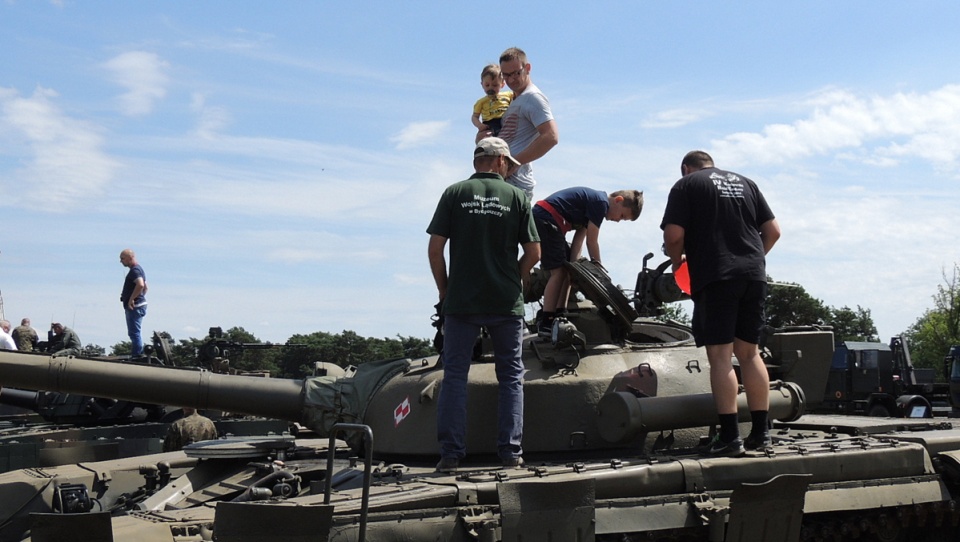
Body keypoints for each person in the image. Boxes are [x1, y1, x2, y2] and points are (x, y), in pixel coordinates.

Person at [427, 137, 541, 472]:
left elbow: (435, 249)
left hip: (462, 301)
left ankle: (450, 455)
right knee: (510, 376)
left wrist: (445, 291)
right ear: (502, 162)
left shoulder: (454, 193)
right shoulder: (517, 196)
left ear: (479, 161)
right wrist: (516, 279)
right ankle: (510, 454)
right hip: (505, 301)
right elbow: (534, 252)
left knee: (455, 375)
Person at [660, 150, 781, 457]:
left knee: (721, 357)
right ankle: (761, 434)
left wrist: (677, 264)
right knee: (750, 354)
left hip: (716, 277)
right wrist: (751, 261)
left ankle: (730, 437)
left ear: (686, 168)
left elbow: (674, 236)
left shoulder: (686, 185)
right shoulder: (747, 183)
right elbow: (774, 231)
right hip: (754, 275)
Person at [533, 187, 644, 336]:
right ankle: (546, 320)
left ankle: (560, 313)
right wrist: (598, 268)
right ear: (618, 200)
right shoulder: (600, 203)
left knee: (566, 270)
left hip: (550, 220)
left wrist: (574, 267)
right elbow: (592, 241)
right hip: (546, 218)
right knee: (558, 273)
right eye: (622, 216)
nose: (618, 220)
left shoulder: (592, 208)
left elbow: (579, 242)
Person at [490, 47, 558, 199]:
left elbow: (551, 136)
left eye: (516, 73)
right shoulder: (512, 99)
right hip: (502, 179)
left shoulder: (533, 97)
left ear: (527, 68)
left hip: (516, 184)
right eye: (506, 75)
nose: (511, 79)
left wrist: (514, 163)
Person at [119, 248, 148, 357]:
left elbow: (140, 285)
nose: (121, 261)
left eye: (122, 258)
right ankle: (137, 354)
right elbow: (146, 287)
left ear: (130, 258)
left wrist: (132, 299)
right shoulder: (139, 269)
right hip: (140, 305)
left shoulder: (135, 270)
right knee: (135, 332)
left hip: (134, 307)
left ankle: (136, 356)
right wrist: (140, 296)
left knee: (134, 333)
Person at [472, 64, 513, 137]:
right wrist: (480, 125)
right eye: (487, 85)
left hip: (505, 120)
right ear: (482, 84)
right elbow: (474, 117)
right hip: (490, 123)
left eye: (495, 85)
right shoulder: (481, 102)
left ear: (502, 84)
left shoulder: (509, 95)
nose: (490, 88)